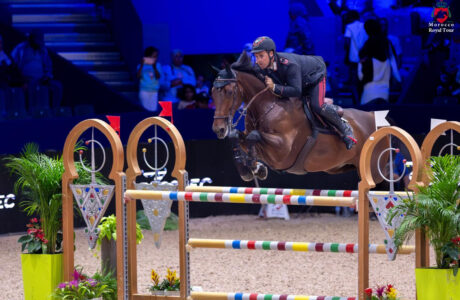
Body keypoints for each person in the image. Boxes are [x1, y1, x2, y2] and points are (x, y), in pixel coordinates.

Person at [251, 36, 357, 150]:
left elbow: (296, 91)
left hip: (315, 75)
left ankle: (346, 129)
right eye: (256, 57)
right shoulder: (259, 68)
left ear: (271, 53)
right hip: (299, 81)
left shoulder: (289, 65)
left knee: (317, 106)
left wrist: (275, 87)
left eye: (261, 56)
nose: (258, 61)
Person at [11, 31, 63, 110]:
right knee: (32, 86)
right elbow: (13, 65)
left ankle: (55, 110)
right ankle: (33, 112)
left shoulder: (43, 50)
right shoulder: (20, 48)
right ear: (31, 39)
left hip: (41, 79)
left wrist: (47, 76)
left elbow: (48, 65)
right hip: (26, 79)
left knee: (57, 86)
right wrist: (21, 81)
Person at [137, 46, 163, 112]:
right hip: (144, 90)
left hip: (154, 91)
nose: (155, 58)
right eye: (153, 56)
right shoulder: (140, 66)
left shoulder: (158, 65)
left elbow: (158, 76)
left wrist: (154, 67)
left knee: (153, 110)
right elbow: (138, 76)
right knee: (145, 110)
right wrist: (142, 65)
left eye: (156, 56)